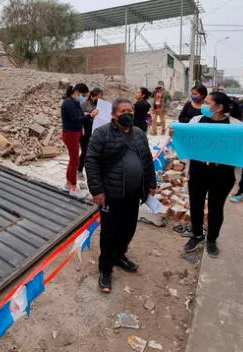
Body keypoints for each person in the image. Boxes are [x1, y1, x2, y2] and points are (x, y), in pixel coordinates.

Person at [86, 97, 157, 293]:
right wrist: (97, 190)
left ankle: (119, 256)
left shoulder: (139, 134)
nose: (128, 114)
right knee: (109, 234)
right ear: (113, 115)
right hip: (111, 195)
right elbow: (91, 162)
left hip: (134, 195)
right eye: (123, 111)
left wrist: (151, 183)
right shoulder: (102, 134)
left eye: (130, 110)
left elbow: (147, 159)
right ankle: (105, 269)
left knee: (128, 230)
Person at [171, 92, 243, 257]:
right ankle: (196, 235)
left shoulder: (236, 125)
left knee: (216, 207)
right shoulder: (196, 121)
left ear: (219, 107)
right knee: (196, 205)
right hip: (198, 170)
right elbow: (186, 141)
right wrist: (175, 135)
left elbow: (242, 148)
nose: (203, 104)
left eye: (207, 102)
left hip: (223, 174)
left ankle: (211, 239)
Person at [61, 83, 97, 199]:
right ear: (77, 92)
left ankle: (68, 183)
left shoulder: (74, 102)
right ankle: (73, 187)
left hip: (74, 133)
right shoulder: (69, 102)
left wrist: (87, 115)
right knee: (75, 161)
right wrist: (90, 116)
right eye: (83, 95)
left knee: (73, 160)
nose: (83, 98)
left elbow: (80, 115)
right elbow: (75, 119)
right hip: (70, 134)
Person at [79, 88, 103, 180]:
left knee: (94, 153)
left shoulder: (100, 105)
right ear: (93, 96)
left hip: (96, 133)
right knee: (85, 152)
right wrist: (89, 114)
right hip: (85, 132)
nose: (100, 99)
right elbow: (79, 117)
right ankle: (79, 170)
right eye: (99, 97)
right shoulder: (84, 104)